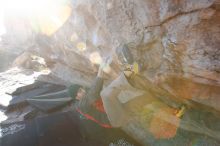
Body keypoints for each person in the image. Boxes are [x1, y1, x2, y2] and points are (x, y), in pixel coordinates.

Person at [69, 58, 141, 146]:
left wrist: (102, 73)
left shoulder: (87, 98)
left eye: (82, 89)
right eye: (79, 91)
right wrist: (100, 75)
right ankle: (132, 69)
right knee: (106, 94)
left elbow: (94, 92)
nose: (83, 91)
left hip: (119, 114)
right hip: (113, 121)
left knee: (115, 93)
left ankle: (134, 71)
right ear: (76, 97)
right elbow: (93, 93)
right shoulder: (81, 106)